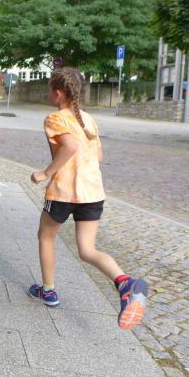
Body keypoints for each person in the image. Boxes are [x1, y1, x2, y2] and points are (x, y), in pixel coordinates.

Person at [28, 67, 148, 329]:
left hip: (65, 191)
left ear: (58, 93)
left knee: (45, 236)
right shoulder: (89, 119)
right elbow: (98, 156)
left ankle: (48, 290)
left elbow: (70, 146)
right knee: (87, 250)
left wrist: (45, 173)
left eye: (49, 89)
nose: (48, 93)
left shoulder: (55, 118)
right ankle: (125, 282)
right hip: (92, 192)